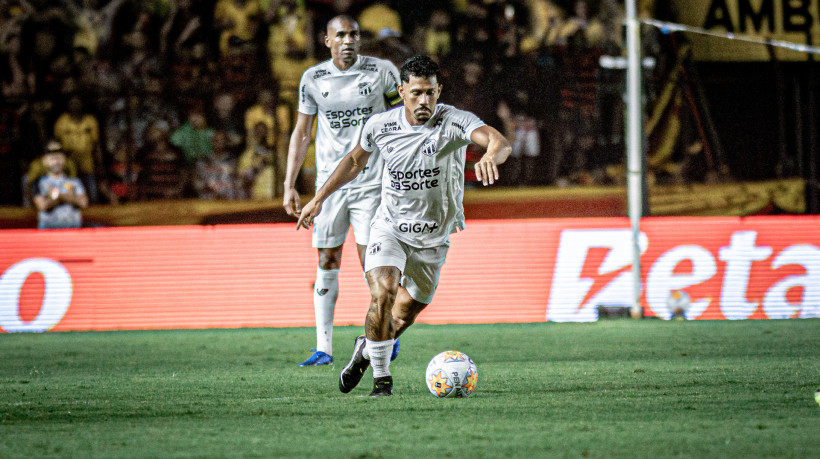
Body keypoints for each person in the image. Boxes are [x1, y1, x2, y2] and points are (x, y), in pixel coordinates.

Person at [296, 55, 511, 396]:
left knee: (401, 317)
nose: (423, 100)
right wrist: (319, 197)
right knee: (383, 291)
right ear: (401, 91)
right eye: (415, 93)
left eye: (429, 92)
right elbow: (353, 161)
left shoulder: (455, 122)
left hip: (433, 238)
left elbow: (499, 141)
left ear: (439, 91)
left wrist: (489, 155)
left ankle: (364, 350)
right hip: (389, 228)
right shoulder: (381, 125)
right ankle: (382, 380)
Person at [283, 14, 402, 367]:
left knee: (373, 263)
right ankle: (324, 347)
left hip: (371, 183)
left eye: (354, 34)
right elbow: (302, 133)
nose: (349, 40)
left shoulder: (382, 72)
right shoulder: (313, 79)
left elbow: (402, 121)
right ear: (327, 40)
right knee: (327, 258)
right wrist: (290, 183)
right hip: (330, 186)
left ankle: (386, 333)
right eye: (341, 35)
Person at [32, 140, 89, 230]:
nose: (56, 162)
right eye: (52, 158)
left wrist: (55, 196)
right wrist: (69, 196)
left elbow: (83, 203)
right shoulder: (39, 183)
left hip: (73, 229)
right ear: (45, 161)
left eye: (59, 158)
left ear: (64, 159)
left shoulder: (75, 181)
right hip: (48, 230)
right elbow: (42, 206)